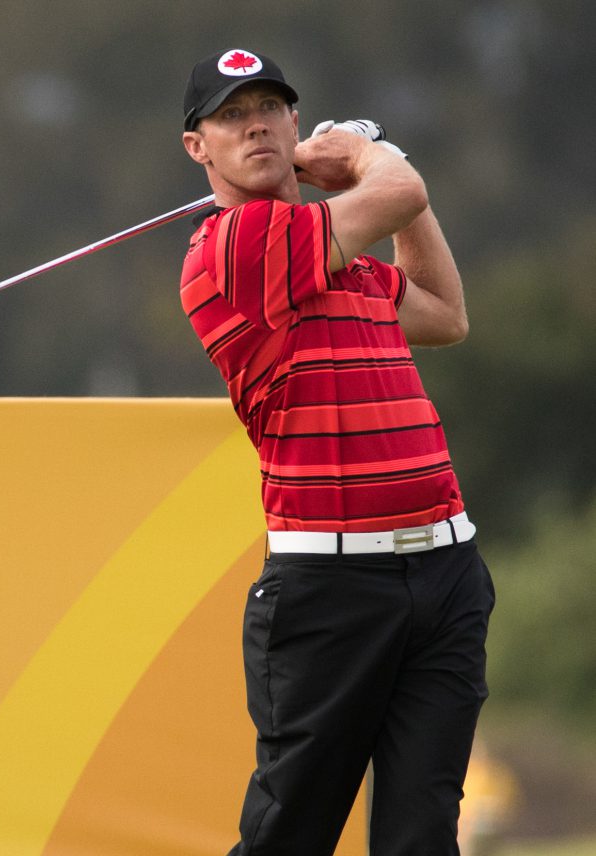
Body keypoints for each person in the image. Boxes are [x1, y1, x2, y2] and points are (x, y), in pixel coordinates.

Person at [176, 48, 495, 855]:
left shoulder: (342, 268)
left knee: (423, 835)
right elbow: (399, 191)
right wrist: (364, 154)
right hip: (329, 589)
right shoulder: (238, 243)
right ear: (198, 147)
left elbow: (446, 314)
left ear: (293, 123)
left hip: (445, 571)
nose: (255, 125)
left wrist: (377, 170)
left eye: (270, 108)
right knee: (291, 837)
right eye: (231, 115)